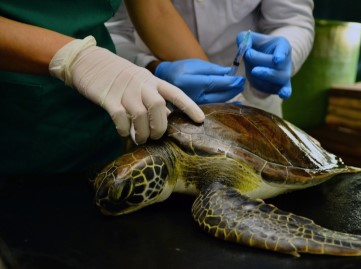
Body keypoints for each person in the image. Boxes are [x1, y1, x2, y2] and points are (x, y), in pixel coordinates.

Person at [0, 1, 205, 176]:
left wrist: (220, 101)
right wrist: (72, 57)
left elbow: (156, 10)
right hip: (16, 130)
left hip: (98, 128)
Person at [106, 0, 315, 117]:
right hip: (157, 105)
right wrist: (152, 70)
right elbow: (111, 32)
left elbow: (293, 19)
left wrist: (281, 57)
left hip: (252, 106)